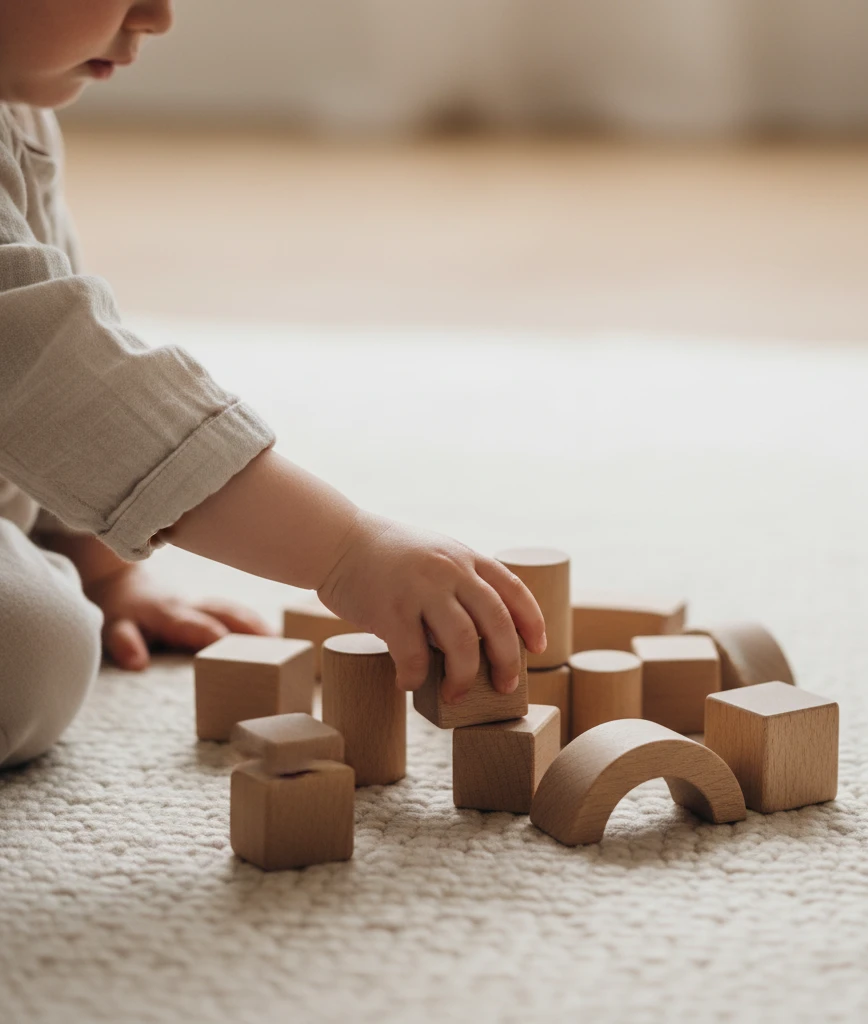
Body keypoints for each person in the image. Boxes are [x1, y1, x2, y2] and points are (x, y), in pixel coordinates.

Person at [0, 0, 546, 769]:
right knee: (31, 650)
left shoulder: (19, 110)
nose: (157, 17)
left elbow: (41, 366)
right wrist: (346, 552)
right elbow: (64, 381)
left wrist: (101, 573)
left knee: (49, 622)